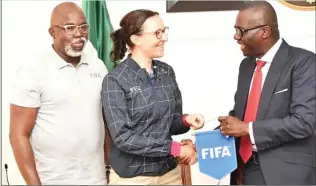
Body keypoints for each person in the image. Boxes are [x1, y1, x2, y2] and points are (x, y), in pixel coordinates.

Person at [101, 9, 204, 185]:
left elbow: (170, 123)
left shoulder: (166, 72)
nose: (163, 38)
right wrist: (175, 148)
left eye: (164, 31)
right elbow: (123, 138)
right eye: (157, 33)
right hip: (133, 177)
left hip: (168, 173)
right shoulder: (114, 80)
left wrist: (187, 120)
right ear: (136, 39)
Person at [9, 2, 108, 185]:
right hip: (53, 180)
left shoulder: (98, 66)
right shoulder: (33, 71)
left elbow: (106, 120)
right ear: (52, 32)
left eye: (83, 27)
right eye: (70, 28)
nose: (79, 33)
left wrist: (109, 170)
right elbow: (18, 135)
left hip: (97, 179)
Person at [218, 1, 316, 185]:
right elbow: (241, 115)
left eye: (241, 30)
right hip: (243, 170)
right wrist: (204, 142)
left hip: (284, 175)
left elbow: (304, 122)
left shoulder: (305, 63)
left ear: (265, 32)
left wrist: (248, 129)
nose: (235, 36)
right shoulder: (246, 65)